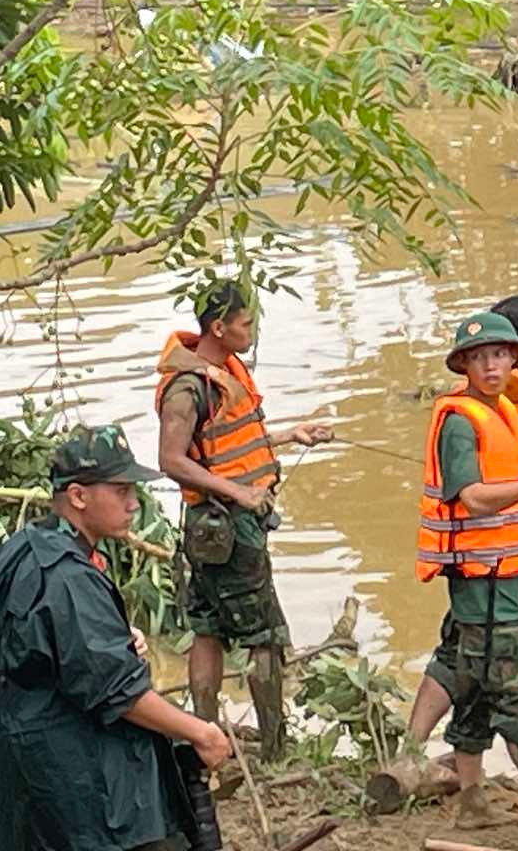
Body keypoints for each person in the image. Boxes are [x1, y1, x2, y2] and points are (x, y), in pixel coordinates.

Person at [0, 425, 233, 851]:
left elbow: (38, 638)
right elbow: (120, 694)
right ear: (78, 496)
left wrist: (112, 636)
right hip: (73, 775)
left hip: (24, 757)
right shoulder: (68, 577)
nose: (134, 503)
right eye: (121, 490)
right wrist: (201, 732)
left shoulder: (26, 545)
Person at [413, 311, 518, 827]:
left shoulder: (504, 410)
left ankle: (471, 802)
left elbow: (513, 483)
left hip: (506, 575)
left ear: (514, 359)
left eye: (500, 355)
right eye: (480, 357)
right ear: (464, 365)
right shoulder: (461, 423)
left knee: (474, 686)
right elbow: (474, 498)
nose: (491, 366)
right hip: (483, 582)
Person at [154, 281, 332, 758]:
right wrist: (240, 494)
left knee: (208, 629)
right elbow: (171, 459)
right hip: (228, 526)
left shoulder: (220, 375)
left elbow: (223, 444)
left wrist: (290, 435)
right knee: (265, 636)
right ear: (219, 327)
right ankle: (274, 750)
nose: (251, 331)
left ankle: (205, 737)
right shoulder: (187, 387)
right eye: (245, 323)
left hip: (213, 525)